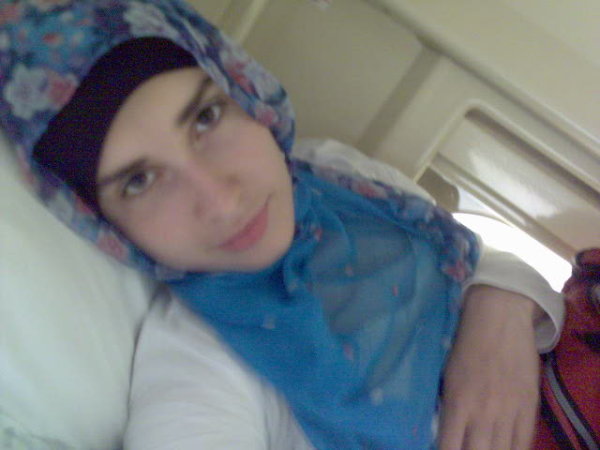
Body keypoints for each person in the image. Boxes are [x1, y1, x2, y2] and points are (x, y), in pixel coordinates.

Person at [0, 0, 563, 448]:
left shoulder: (339, 176)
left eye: (206, 117)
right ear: (107, 230)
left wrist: (501, 307)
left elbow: (479, 252)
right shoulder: (203, 363)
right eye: (139, 181)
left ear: (242, 90)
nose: (221, 200)